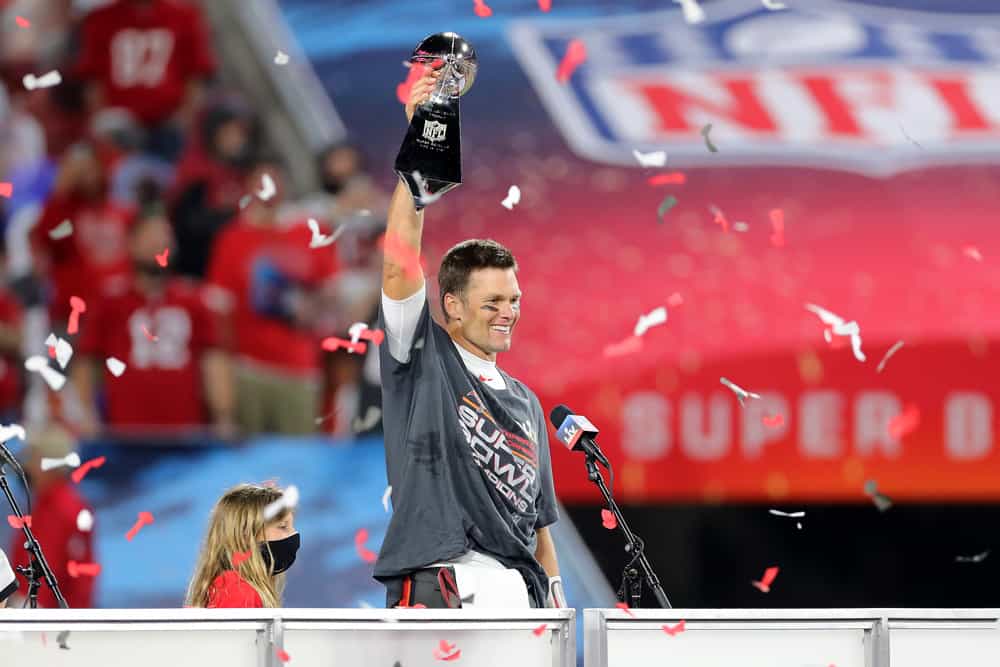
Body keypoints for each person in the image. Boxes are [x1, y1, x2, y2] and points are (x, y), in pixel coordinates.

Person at [374, 70, 565, 610]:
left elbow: (539, 526)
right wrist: (421, 151)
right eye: (492, 303)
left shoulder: (526, 401)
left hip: (517, 596)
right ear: (451, 305)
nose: (508, 314)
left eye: (514, 299)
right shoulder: (422, 357)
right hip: (444, 585)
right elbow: (398, 265)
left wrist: (554, 607)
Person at [72, 208, 235, 438]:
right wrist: (85, 415)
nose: (158, 243)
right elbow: (86, 363)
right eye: (150, 236)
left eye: (165, 236)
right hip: (125, 435)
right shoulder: (110, 300)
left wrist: (223, 416)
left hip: (184, 435)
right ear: (132, 243)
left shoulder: (193, 300)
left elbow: (213, 361)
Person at [206, 161, 339, 435]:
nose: (270, 188)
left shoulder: (308, 233)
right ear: (248, 187)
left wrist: (311, 309)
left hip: (299, 368)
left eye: (276, 180)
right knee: (247, 466)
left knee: (298, 461)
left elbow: (333, 295)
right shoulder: (232, 239)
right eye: (262, 180)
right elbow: (220, 309)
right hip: (248, 367)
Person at [75, 0, 217, 162]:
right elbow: (93, 80)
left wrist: (183, 119)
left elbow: (196, 75)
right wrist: (101, 120)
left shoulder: (185, 16)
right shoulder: (100, 18)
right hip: (118, 125)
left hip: (167, 125)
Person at [6, 425, 96, 609]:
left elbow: (58, 572)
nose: (28, 465)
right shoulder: (45, 504)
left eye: (34, 458)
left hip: (45, 622)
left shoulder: (62, 510)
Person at [185, 484, 299, 608]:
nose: (293, 534)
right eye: (283, 526)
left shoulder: (234, 586)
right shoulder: (237, 589)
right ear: (245, 534)